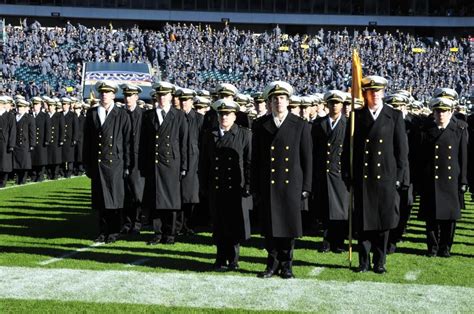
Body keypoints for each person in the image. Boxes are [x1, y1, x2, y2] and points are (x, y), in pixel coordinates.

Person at [345, 75, 409, 274]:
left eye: (378, 91)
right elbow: (349, 149)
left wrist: (399, 178)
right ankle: (363, 262)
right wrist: (348, 174)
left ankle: (379, 261)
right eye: (370, 92)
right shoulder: (356, 116)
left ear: (383, 93)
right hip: (363, 178)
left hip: (386, 178)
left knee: (383, 223)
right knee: (363, 224)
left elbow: (401, 151)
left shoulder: (394, 116)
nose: (375, 95)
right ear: (365, 94)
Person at [252, 81, 312, 279]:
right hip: (268, 184)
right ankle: (272, 264)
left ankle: (287, 265)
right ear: (269, 102)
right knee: (269, 229)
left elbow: (307, 158)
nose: (278, 102)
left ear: (288, 101)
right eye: (275, 99)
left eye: (282, 98)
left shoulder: (300, 124)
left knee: (288, 227)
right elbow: (256, 159)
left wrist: (306, 186)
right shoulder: (260, 125)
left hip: (290, 184)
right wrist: (255, 186)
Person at [200, 99, 252, 271]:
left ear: (234, 115)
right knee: (219, 224)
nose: (224, 117)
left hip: (235, 187)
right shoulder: (210, 135)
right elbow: (204, 163)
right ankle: (220, 258)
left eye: (228, 114)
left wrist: (248, 186)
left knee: (234, 224)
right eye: (221, 114)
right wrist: (204, 185)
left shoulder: (244, 134)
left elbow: (249, 162)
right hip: (216, 186)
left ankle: (234, 259)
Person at [417, 97, 468, 257]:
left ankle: (445, 248)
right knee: (431, 218)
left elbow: (463, 158)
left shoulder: (458, 129)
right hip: (430, 178)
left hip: (451, 179)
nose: (441, 114)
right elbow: (420, 158)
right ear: (433, 112)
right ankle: (432, 248)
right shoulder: (425, 130)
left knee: (449, 218)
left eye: (444, 111)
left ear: (451, 112)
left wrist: (463, 180)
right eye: (438, 111)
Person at [140, 81, 188, 245]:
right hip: (154, 162)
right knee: (155, 200)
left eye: (165, 95)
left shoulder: (179, 115)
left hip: (172, 163)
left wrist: (184, 165)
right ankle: (157, 233)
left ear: (170, 96)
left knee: (171, 200)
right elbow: (144, 143)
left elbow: (184, 142)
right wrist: (143, 165)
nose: (162, 98)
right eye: (159, 95)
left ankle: (170, 233)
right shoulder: (148, 115)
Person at [83, 81, 131, 244]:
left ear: (113, 95)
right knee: (100, 200)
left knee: (114, 199)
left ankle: (114, 231)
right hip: (97, 162)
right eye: (102, 92)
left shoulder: (121, 114)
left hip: (115, 162)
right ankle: (103, 231)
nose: (104, 95)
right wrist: (87, 164)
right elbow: (87, 141)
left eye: (107, 92)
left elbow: (127, 142)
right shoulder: (92, 113)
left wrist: (127, 164)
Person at [311, 90, 349, 253]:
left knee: (339, 209)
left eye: (338, 103)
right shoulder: (319, 124)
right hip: (323, 171)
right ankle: (326, 240)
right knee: (325, 207)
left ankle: (338, 241)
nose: (335, 106)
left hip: (339, 171)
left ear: (342, 105)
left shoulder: (348, 124)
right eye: (332, 103)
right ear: (327, 104)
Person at [120, 83, 145, 235]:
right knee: (124, 194)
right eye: (126, 95)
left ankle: (137, 222)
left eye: (131, 95)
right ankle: (126, 222)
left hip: (137, 160)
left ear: (136, 97)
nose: (128, 98)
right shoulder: (120, 114)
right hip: (122, 158)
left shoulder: (143, 115)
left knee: (137, 194)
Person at [176, 88, 201, 236]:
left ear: (192, 101)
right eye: (182, 100)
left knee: (191, 196)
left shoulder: (199, 119)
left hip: (194, 161)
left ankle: (190, 225)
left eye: (186, 100)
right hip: (177, 159)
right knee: (178, 195)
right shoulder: (176, 117)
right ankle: (179, 225)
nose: (184, 102)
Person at [13, 99, 36, 185]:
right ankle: (18, 177)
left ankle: (23, 178)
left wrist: (32, 144)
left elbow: (32, 132)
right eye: (18, 107)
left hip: (25, 143)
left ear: (24, 107)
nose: (19, 109)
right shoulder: (14, 116)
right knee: (17, 162)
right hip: (16, 143)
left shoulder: (29, 118)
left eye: (21, 107)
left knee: (24, 162)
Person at [30, 96, 51, 182]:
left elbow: (48, 129)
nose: (35, 106)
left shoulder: (45, 115)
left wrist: (47, 140)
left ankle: (40, 174)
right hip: (33, 140)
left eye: (37, 104)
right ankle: (34, 174)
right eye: (34, 104)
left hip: (41, 140)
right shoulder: (30, 115)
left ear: (40, 105)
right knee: (33, 159)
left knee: (41, 159)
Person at [46, 98, 64, 180]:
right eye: (49, 106)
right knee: (49, 158)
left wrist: (61, 139)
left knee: (56, 158)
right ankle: (49, 173)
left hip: (56, 139)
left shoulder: (59, 116)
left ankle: (55, 173)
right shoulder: (46, 115)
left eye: (52, 106)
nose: (50, 107)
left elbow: (62, 128)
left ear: (55, 107)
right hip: (48, 139)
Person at [0, 96, 16, 188]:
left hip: (5, 143)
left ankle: (3, 180)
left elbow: (12, 131)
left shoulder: (10, 116)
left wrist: (11, 144)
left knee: (4, 164)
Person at [61, 97, 78, 178]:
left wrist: (74, 139)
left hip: (69, 138)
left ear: (68, 105)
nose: (64, 106)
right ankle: (63, 170)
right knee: (62, 156)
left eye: (65, 104)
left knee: (69, 156)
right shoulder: (60, 114)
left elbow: (75, 128)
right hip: (61, 138)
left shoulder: (73, 115)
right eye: (63, 104)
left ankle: (69, 170)